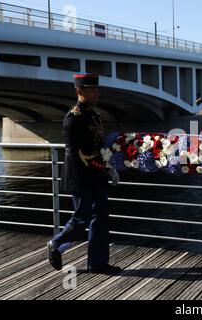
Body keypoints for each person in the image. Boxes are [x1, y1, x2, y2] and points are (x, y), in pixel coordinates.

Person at [47, 74, 121, 274]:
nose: (97, 93)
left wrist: (109, 166)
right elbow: (82, 154)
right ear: (80, 91)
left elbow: (98, 146)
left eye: (97, 89)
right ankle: (56, 243)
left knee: (101, 218)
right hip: (80, 176)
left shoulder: (93, 116)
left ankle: (97, 263)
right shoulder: (74, 118)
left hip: (96, 175)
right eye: (92, 90)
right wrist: (104, 166)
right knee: (82, 218)